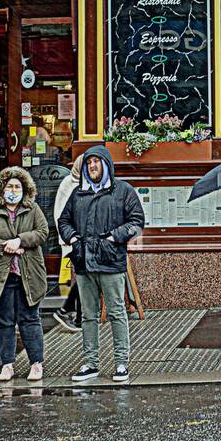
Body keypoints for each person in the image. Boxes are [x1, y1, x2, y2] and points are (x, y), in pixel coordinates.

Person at [58, 145, 146, 383]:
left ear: (106, 164)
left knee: (117, 312)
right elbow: (63, 221)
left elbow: (137, 221)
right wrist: (73, 239)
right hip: (84, 262)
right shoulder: (78, 193)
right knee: (88, 315)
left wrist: (114, 237)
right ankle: (90, 363)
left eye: (96, 162)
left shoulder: (123, 191)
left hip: (110, 262)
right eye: (88, 162)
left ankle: (121, 363)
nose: (92, 166)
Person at [0, 166, 49, 381]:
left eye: (17, 186)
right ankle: (7, 364)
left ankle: (36, 363)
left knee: (30, 319)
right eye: (9, 186)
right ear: (1, 189)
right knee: (3, 321)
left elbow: (43, 232)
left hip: (28, 274)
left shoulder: (32, 209)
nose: (13, 190)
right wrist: (5, 246)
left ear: (25, 189)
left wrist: (21, 240)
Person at [50, 153, 86, 332]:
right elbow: (60, 215)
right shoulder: (68, 184)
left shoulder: (87, 184)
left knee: (84, 276)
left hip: (85, 240)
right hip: (73, 240)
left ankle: (73, 313)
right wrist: (70, 237)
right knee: (83, 276)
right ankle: (69, 311)